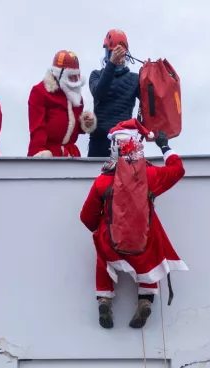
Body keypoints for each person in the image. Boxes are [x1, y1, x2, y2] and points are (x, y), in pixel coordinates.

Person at [79, 120, 186, 329]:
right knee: (150, 252)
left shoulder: (102, 180)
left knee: (101, 246)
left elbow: (86, 216)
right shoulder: (151, 176)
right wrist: (164, 146)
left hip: (112, 243)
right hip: (142, 242)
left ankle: (104, 299)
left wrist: (100, 229)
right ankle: (145, 299)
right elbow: (177, 169)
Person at [28, 50, 97, 157]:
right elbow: (37, 127)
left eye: (76, 76)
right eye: (71, 76)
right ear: (58, 74)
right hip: (48, 153)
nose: (74, 80)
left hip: (70, 155)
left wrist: (85, 122)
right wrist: (40, 153)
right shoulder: (40, 92)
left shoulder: (76, 96)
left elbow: (72, 126)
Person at [87, 30, 141, 157]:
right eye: (114, 52)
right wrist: (111, 64)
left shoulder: (135, 79)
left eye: (121, 54)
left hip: (124, 142)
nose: (118, 57)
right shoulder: (96, 75)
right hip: (99, 142)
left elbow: (149, 103)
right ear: (107, 52)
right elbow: (98, 93)